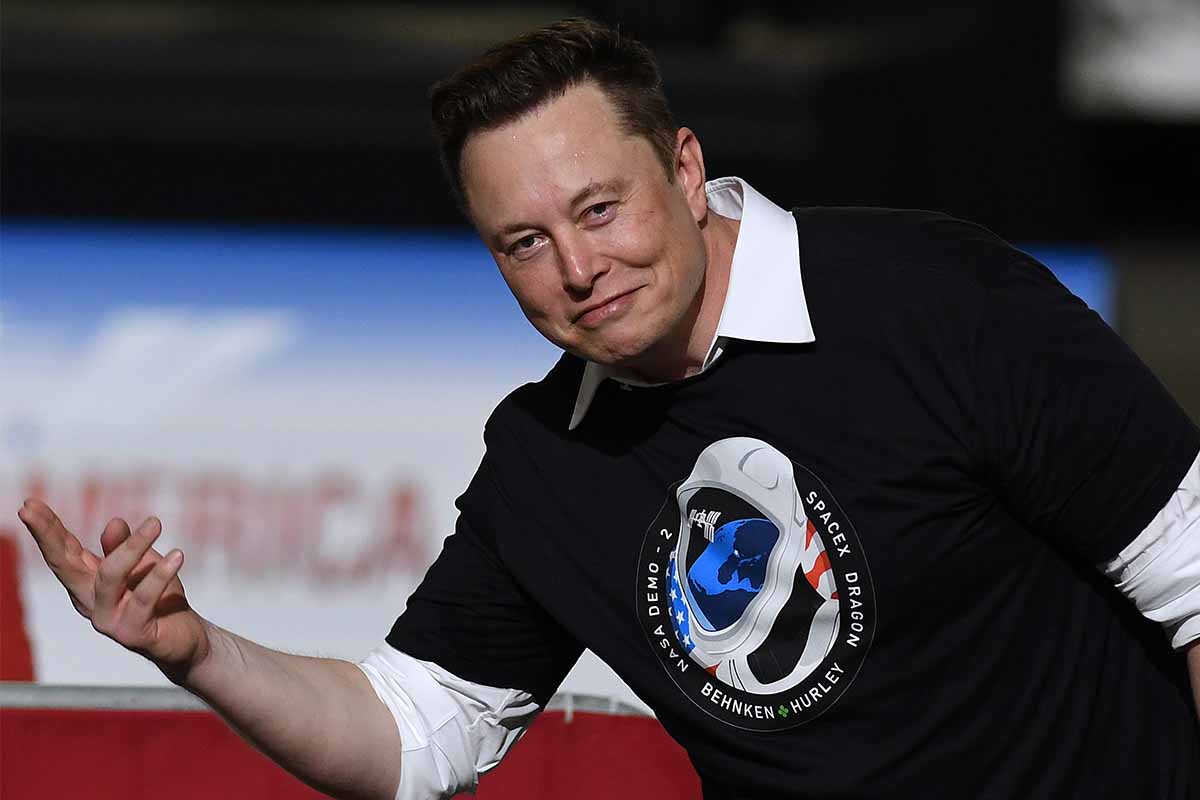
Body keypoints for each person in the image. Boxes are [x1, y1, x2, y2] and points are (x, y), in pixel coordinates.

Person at [18, 17, 1200, 800]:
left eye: (599, 209)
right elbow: (416, 725)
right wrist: (195, 647)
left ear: (685, 169)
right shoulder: (545, 460)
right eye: (525, 242)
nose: (578, 269)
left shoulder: (934, 296)